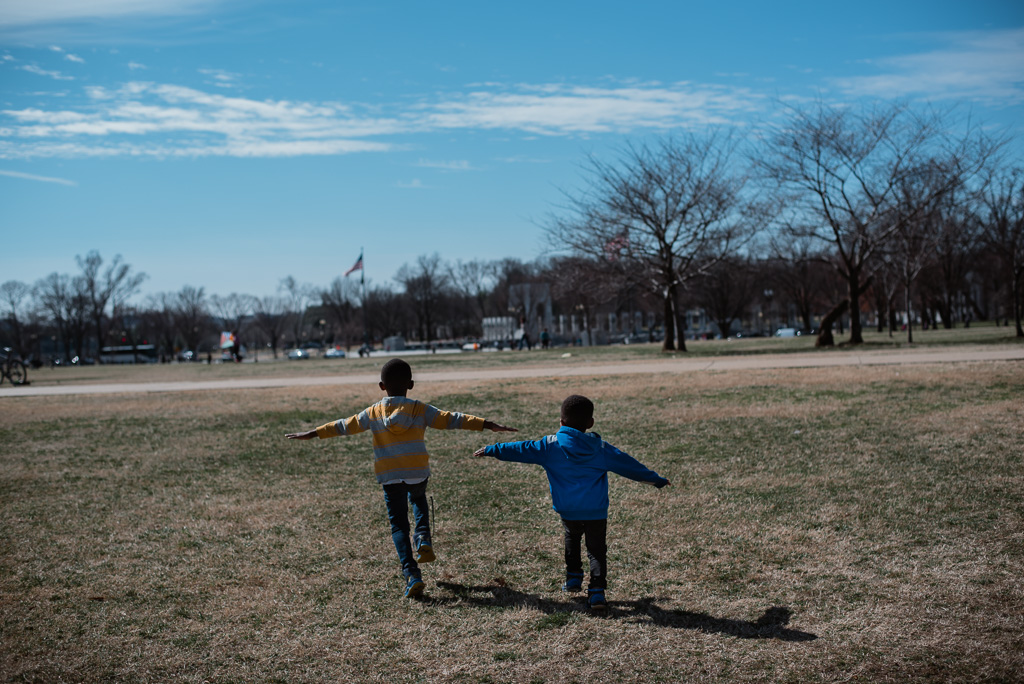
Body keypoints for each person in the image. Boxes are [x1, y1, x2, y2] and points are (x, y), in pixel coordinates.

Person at [286, 358, 516, 598]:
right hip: (416, 470)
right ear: (411, 384)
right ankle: (423, 536)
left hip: (390, 474)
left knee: (398, 524)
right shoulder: (420, 409)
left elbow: (343, 425)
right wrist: (487, 424)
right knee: (418, 500)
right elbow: (453, 418)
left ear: (381, 386)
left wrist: (312, 433)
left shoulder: (373, 412)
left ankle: (411, 573)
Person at [473, 394, 670, 613]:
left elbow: (522, 448)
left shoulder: (549, 446)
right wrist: (657, 480)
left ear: (561, 422)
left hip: (568, 509)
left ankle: (573, 578)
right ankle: (597, 593)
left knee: (572, 538)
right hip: (595, 511)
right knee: (596, 551)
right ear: (590, 423)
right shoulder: (601, 448)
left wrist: (493, 450)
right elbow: (630, 466)